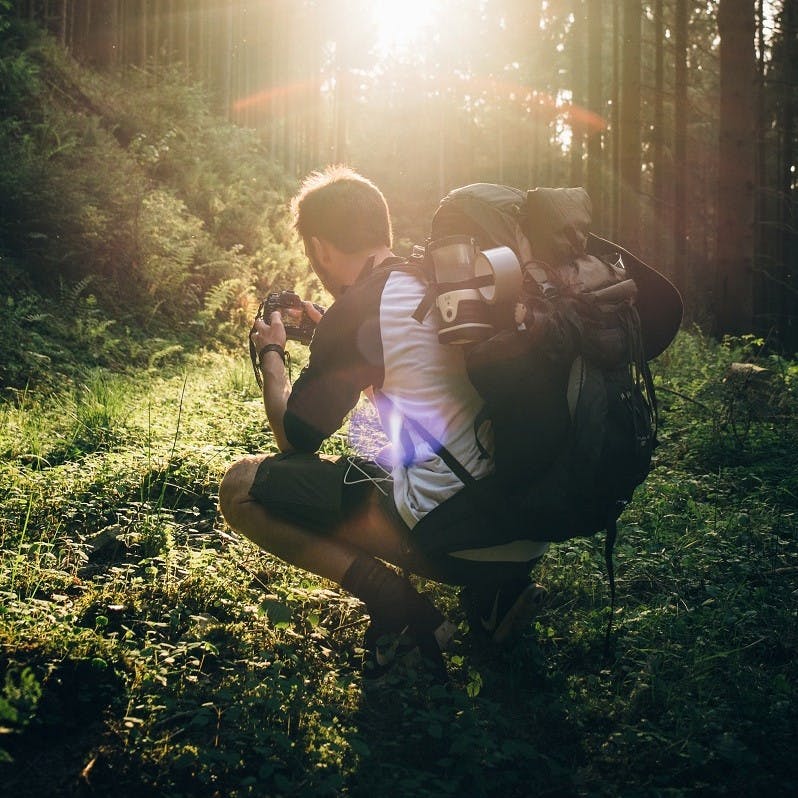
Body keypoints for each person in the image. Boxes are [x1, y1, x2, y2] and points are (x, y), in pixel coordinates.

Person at [218, 165, 547, 684]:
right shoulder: (434, 281)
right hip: (530, 524)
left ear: (322, 249)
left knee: (240, 487)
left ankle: (395, 605)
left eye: (311, 253)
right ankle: (497, 598)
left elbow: (292, 436)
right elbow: (411, 365)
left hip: (458, 536)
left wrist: (273, 354)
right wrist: (333, 329)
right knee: (427, 458)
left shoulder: (359, 310)